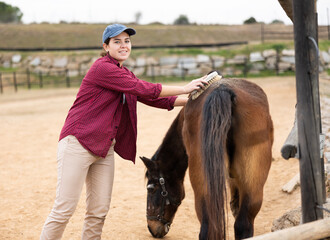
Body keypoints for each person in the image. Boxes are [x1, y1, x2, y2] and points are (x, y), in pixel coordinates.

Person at [40, 23, 207, 240]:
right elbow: (144, 89)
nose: (123, 45)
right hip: (78, 143)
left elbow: (151, 98)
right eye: (117, 41)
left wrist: (195, 100)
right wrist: (185, 87)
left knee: (98, 210)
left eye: (127, 41)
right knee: (64, 209)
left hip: (104, 148)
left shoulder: (124, 73)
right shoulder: (102, 68)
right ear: (106, 46)